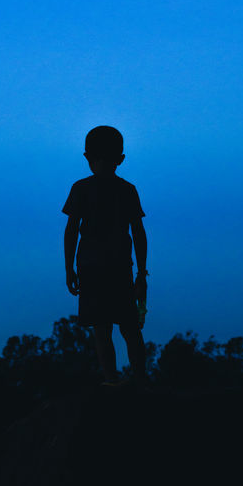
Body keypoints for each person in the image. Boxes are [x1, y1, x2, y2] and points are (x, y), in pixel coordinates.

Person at [63, 124, 147, 385]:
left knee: (104, 330)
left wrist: (69, 269)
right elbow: (139, 233)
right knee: (129, 329)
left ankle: (113, 382)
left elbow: (71, 232)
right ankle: (137, 381)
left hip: (92, 268)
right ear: (120, 159)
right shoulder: (127, 190)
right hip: (118, 268)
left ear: (87, 157)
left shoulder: (81, 188)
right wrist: (141, 273)